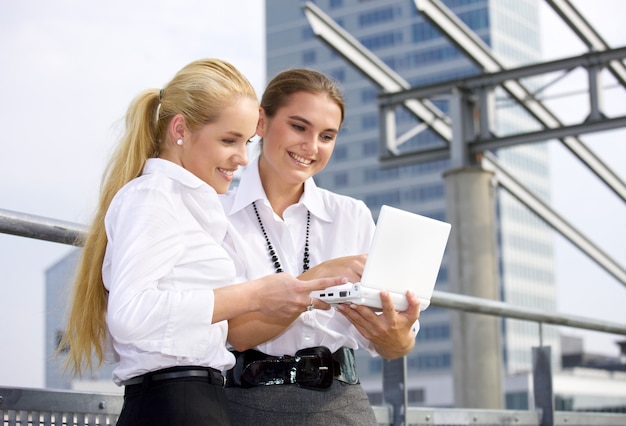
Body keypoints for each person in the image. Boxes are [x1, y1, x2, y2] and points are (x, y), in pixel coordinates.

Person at [59, 59, 346, 426]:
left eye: (246, 142)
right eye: (228, 140)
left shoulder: (186, 204)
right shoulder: (153, 197)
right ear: (180, 129)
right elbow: (130, 316)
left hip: (194, 401)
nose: (242, 158)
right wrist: (255, 296)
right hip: (174, 405)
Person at [220, 69, 421, 425]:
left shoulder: (352, 215)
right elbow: (233, 331)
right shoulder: (218, 213)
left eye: (327, 136)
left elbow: (395, 348)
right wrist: (319, 279)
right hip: (245, 406)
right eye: (299, 127)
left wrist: (397, 334)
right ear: (261, 123)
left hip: (343, 406)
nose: (311, 147)